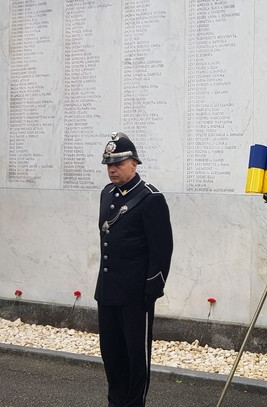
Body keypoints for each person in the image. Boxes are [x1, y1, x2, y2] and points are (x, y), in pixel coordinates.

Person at [94, 132, 174, 407]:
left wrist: (151, 289)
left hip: (134, 294)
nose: (112, 169)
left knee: (135, 357)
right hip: (107, 292)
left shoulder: (150, 198)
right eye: (108, 164)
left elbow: (162, 249)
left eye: (118, 163)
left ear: (134, 163)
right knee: (112, 355)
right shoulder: (107, 194)